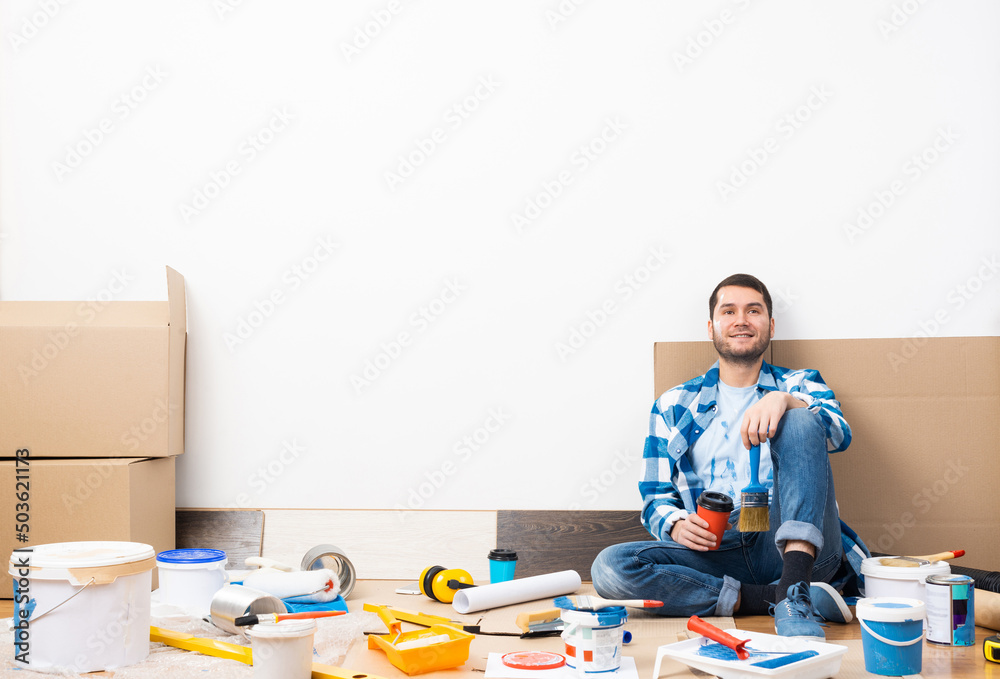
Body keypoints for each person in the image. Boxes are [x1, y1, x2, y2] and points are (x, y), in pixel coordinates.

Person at [591, 273, 858, 639]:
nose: (741, 320)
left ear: (771, 325)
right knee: (610, 567)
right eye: (728, 311)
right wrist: (675, 525)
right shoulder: (672, 405)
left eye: (754, 310)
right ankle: (767, 598)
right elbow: (654, 498)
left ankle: (795, 589)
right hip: (718, 550)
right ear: (711, 327)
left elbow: (839, 434)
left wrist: (786, 401)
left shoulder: (798, 382)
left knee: (799, 420)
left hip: (794, 545)